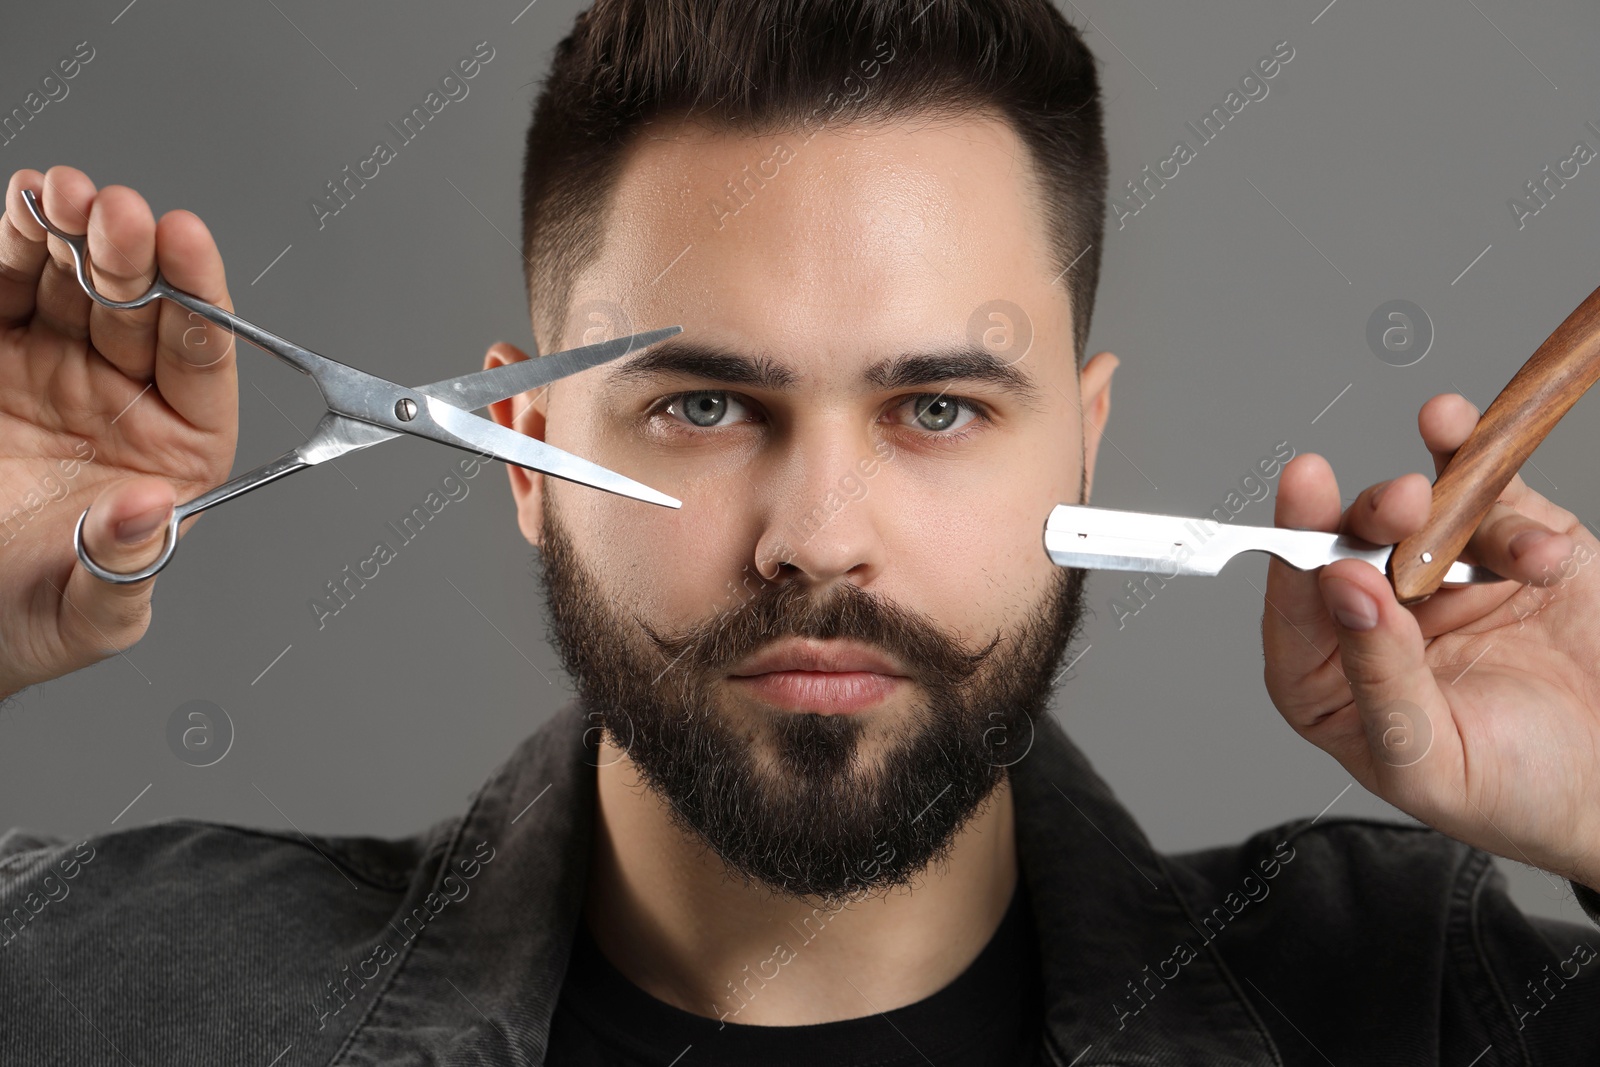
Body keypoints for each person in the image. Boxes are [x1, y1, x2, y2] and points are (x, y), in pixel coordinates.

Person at [3, 1, 1598, 1063]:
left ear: (1090, 446)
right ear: (521, 452)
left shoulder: (1412, 1003)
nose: (820, 542)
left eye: (939, 411)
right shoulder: (130, 992)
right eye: (703, 406)